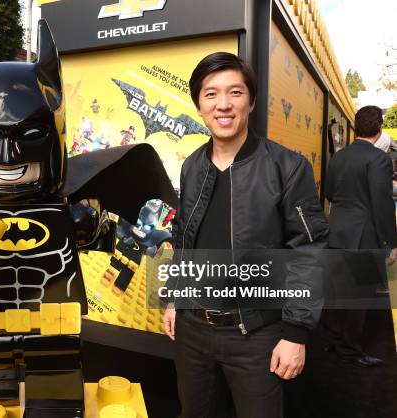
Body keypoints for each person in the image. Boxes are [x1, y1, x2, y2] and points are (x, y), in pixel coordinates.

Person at [162, 52, 328, 418]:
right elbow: (184, 239)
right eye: (211, 94)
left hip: (257, 334)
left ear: (251, 102)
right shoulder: (191, 166)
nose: (223, 104)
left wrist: (296, 332)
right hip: (193, 331)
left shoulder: (287, 167)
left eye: (235, 92)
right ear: (199, 105)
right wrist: (174, 299)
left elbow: (309, 251)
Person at [324, 105, 397, 367]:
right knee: (359, 297)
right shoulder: (379, 159)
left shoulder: (339, 157)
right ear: (379, 129)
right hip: (363, 237)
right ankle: (351, 350)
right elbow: (382, 203)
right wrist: (390, 243)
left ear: (355, 127)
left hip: (335, 233)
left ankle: (333, 341)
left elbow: (330, 193)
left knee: (335, 293)